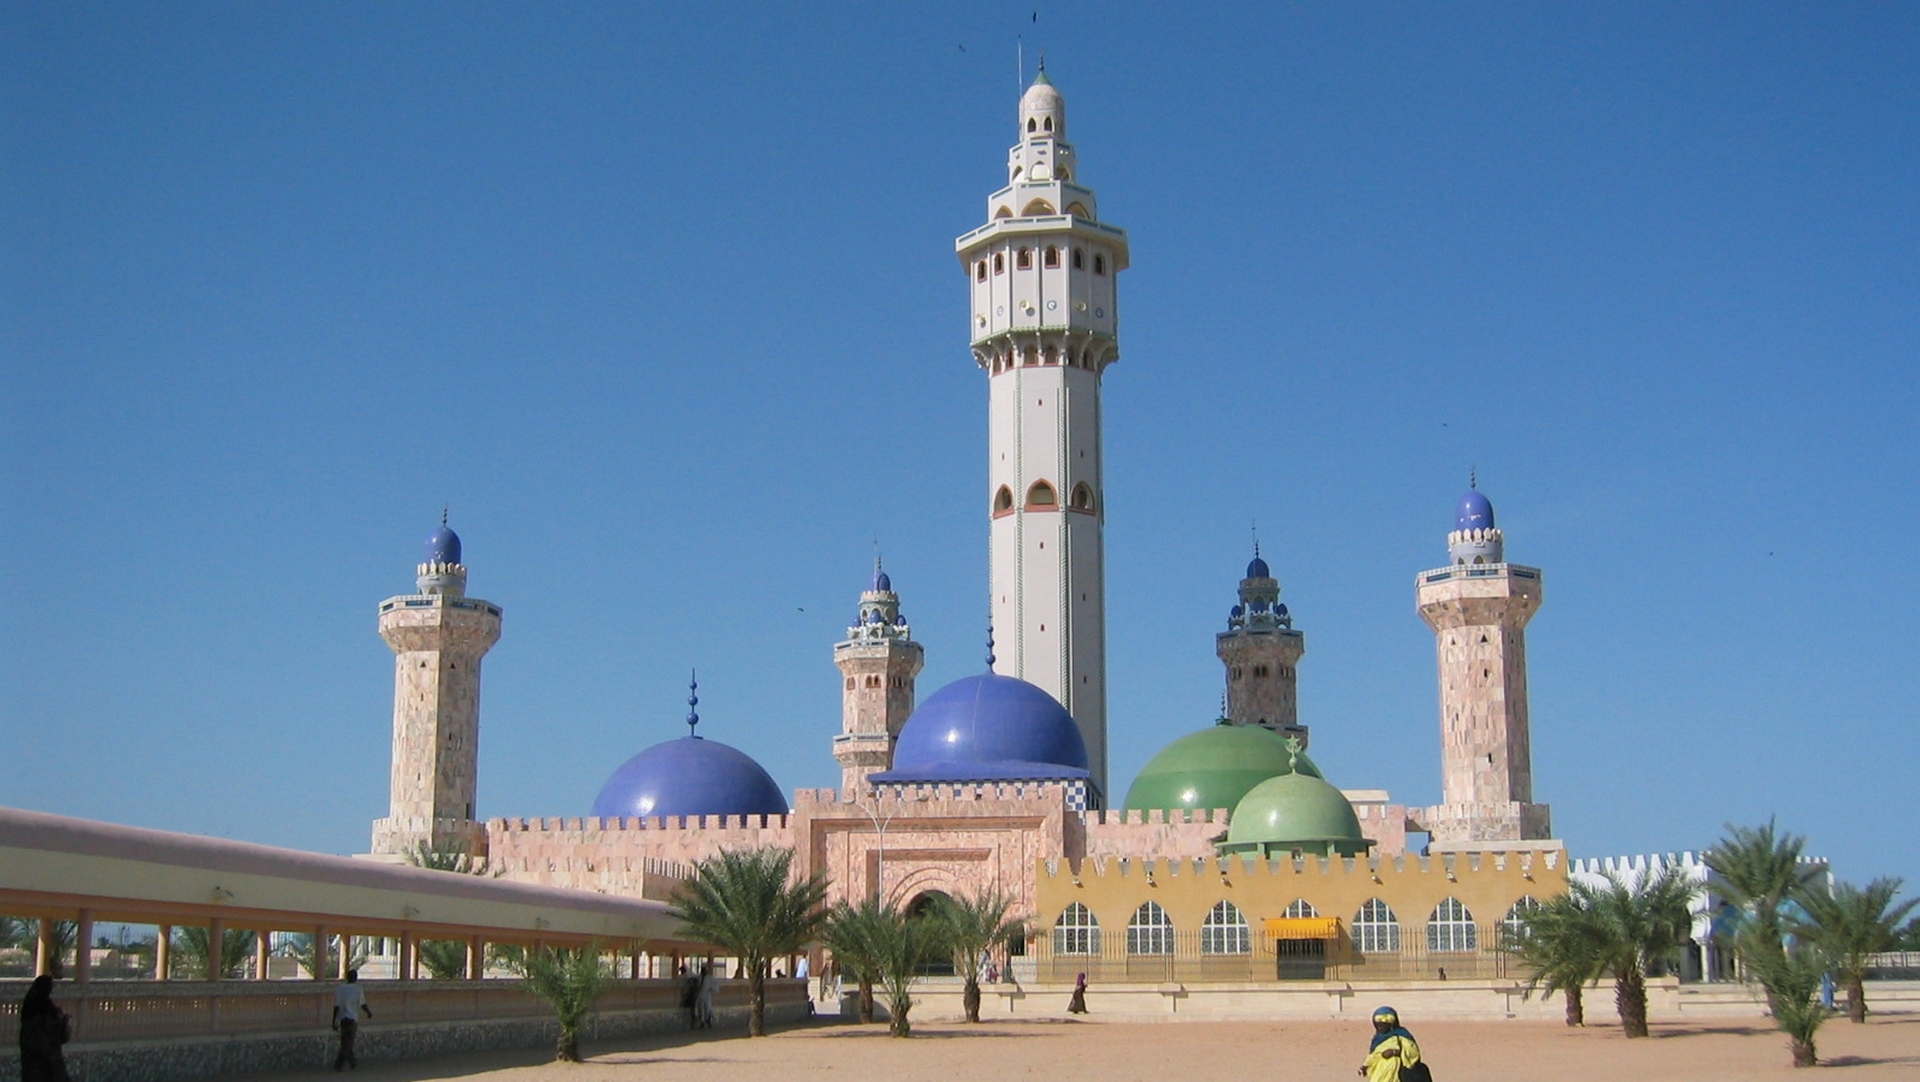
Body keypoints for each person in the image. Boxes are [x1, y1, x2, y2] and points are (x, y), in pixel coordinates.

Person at [19, 975, 72, 1082]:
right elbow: (57, 1037)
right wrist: (62, 1022)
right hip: (47, 1066)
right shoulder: (45, 1012)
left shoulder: (30, 1008)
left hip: (33, 1065)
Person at [1360, 1005, 1423, 1082]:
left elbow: (1413, 1053)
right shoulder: (1377, 1038)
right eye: (1378, 1025)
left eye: (1384, 1025)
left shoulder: (1402, 1035)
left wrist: (1393, 1052)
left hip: (1398, 1073)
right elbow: (1374, 1055)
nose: (1381, 1028)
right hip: (1380, 1073)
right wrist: (1365, 1066)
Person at [332, 968, 373, 1071]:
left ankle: (352, 1061)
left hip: (343, 1018)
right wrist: (368, 1012)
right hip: (352, 1018)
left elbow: (336, 1007)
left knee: (345, 1041)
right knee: (348, 1042)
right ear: (356, 978)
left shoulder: (340, 989)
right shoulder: (358, 990)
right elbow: (362, 1004)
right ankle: (339, 1064)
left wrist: (334, 1021)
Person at [694, 962, 718, 1029]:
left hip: (707, 995)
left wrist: (711, 989)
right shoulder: (699, 978)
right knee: (701, 1009)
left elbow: (715, 987)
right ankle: (702, 1022)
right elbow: (696, 985)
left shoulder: (710, 978)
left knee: (707, 1009)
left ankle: (708, 1021)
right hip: (700, 995)